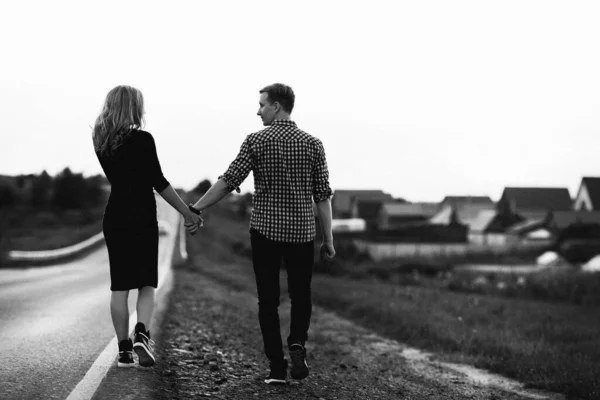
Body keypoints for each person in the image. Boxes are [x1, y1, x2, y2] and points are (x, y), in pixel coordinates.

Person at [189, 83, 335, 384]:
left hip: (265, 232)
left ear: (277, 106)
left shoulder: (255, 141)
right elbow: (322, 195)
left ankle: (277, 369)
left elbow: (229, 181)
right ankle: (297, 344)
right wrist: (328, 239)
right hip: (301, 234)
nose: (258, 111)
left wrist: (196, 208)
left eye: (262, 105)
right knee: (301, 295)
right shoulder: (313, 144)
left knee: (268, 300)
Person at [92, 85, 202, 368]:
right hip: (141, 216)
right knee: (145, 283)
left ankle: (124, 350)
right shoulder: (143, 139)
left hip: (115, 215)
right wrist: (186, 212)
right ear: (134, 107)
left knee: (120, 286)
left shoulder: (101, 140)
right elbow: (159, 181)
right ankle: (142, 332)